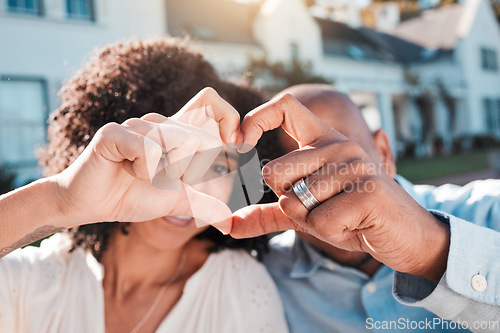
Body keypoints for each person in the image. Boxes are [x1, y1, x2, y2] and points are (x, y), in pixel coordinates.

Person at [0, 38, 288, 333]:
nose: (189, 185)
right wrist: (60, 201)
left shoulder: (242, 291)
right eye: (172, 153)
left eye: (218, 167)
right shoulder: (33, 280)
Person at [230, 84, 500, 332]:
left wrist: (429, 249)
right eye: (300, 178)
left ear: (384, 152)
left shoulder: (489, 211)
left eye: (346, 159)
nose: (327, 187)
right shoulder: (261, 279)